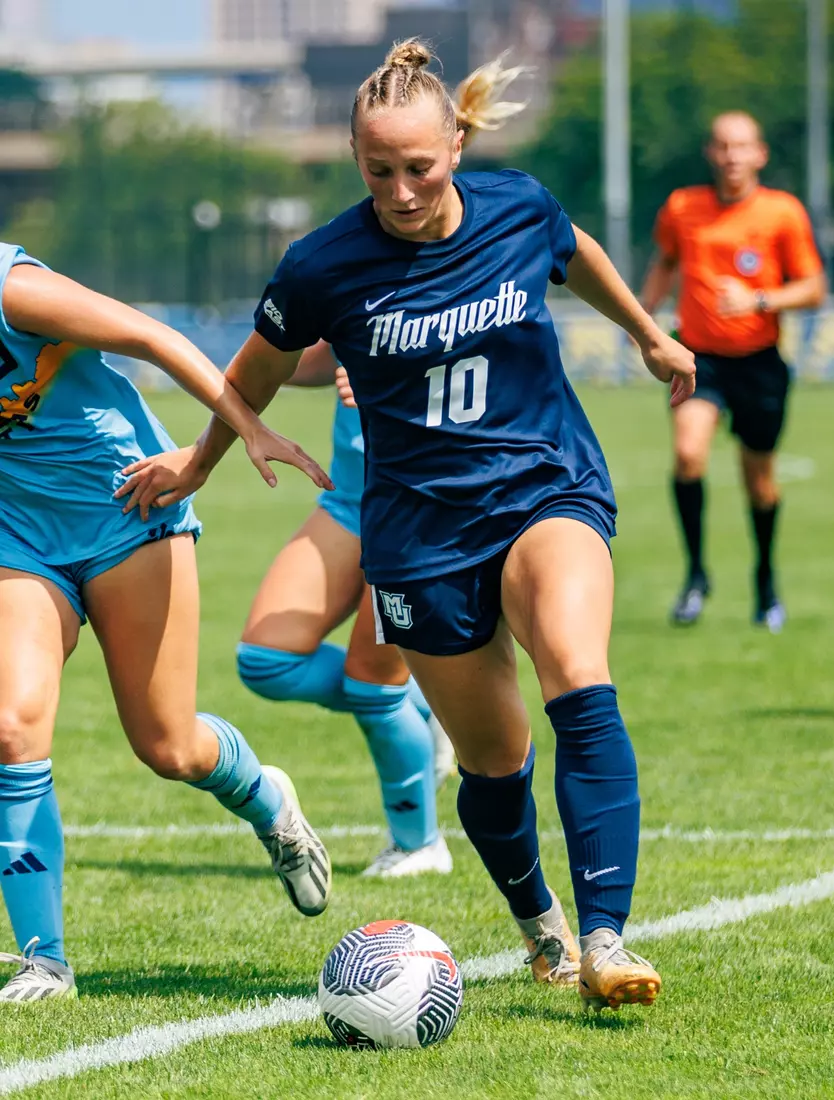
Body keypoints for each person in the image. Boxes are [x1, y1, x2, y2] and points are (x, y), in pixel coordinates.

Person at [118, 41, 695, 1013]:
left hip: (543, 487)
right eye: (378, 170)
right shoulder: (324, 263)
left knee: (575, 668)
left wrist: (646, 330)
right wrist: (203, 456)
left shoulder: (519, 206)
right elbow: (257, 364)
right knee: (493, 757)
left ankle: (605, 936)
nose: (401, 190)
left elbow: (576, 252)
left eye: (419, 167)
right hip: (419, 533)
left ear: (457, 145)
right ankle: (540, 922)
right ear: (356, 158)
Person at [0, 246, 334, 1003]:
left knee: (169, 746)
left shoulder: (14, 291)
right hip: (17, 536)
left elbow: (153, 337)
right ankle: (44, 960)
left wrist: (242, 429)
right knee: (11, 726)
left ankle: (267, 801)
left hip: (128, 504)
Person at [236, 340, 455, 878]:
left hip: (421, 502)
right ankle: (434, 707)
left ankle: (419, 844)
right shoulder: (341, 261)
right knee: (266, 659)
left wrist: (397, 384)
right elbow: (328, 354)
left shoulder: (458, 261)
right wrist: (262, 371)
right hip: (348, 497)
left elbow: (498, 368)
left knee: (372, 687)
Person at [639, 111, 826, 631]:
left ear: (760, 154)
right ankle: (696, 576)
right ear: (710, 153)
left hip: (761, 363)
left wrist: (758, 299)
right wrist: (644, 324)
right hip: (699, 360)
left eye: (742, 146)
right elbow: (664, 263)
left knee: (760, 483)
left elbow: (813, 288)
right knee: (687, 454)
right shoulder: (682, 206)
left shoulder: (782, 212)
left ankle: (766, 582)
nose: (732, 156)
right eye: (722, 146)